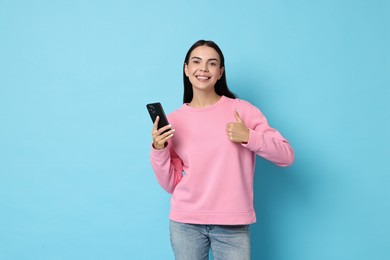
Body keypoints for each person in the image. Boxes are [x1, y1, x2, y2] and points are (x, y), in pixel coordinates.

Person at [149, 40, 294, 260]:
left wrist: (249, 136)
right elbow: (171, 184)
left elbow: (286, 155)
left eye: (212, 63)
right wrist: (159, 149)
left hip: (232, 224)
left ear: (220, 72)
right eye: (196, 62)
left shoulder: (243, 110)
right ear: (186, 69)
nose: (204, 69)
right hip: (185, 223)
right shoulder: (175, 120)